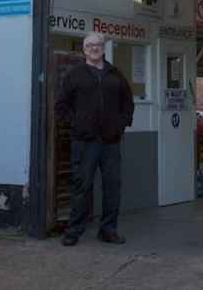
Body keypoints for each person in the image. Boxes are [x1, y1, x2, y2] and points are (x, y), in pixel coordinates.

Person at [55, 32, 134, 246]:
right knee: (82, 186)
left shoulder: (115, 74)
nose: (94, 48)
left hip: (110, 142)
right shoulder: (75, 75)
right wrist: (77, 124)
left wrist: (121, 125)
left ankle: (108, 230)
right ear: (84, 49)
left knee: (112, 186)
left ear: (103, 48)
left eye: (98, 44)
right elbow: (61, 106)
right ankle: (74, 231)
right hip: (85, 141)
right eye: (89, 45)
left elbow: (128, 103)